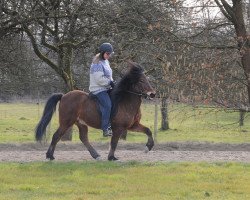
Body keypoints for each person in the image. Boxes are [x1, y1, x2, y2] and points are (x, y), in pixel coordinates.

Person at [89, 42, 115, 137]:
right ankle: (105, 129)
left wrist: (112, 82)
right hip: (99, 89)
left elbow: (108, 75)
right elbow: (99, 79)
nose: (109, 55)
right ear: (102, 52)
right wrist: (109, 82)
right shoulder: (97, 63)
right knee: (107, 105)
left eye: (110, 54)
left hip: (106, 87)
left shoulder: (105, 61)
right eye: (108, 53)